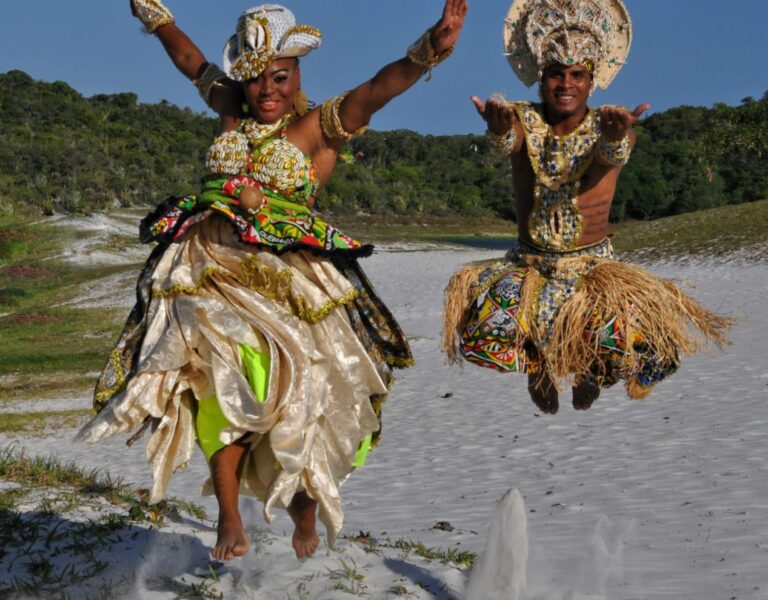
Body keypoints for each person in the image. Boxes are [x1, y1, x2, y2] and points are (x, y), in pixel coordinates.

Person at [77, 0, 467, 561]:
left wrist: (430, 49)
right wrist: (156, 16)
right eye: (255, 78)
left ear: (297, 72)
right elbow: (190, 61)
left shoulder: (320, 126)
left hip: (287, 278)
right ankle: (229, 517)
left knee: (297, 403)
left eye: (278, 78)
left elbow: (378, 88)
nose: (265, 90)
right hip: (209, 268)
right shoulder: (231, 107)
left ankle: (303, 514)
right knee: (214, 379)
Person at [442, 0, 730, 415]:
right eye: (556, 74)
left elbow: (616, 153)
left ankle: (588, 368)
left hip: (592, 268)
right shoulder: (522, 118)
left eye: (577, 75)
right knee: (482, 327)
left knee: (635, 343)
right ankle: (538, 365)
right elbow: (508, 143)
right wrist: (499, 128)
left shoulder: (608, 123)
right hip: (532, 264)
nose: (566, 84)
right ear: (541, 78)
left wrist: (616, 136)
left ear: (592, 80)